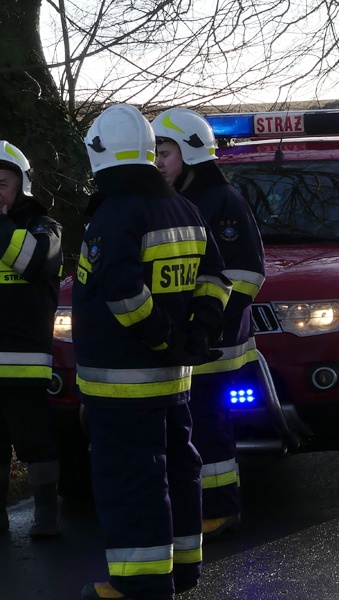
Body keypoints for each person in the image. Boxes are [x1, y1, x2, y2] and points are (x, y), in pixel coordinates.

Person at [76, 104, 231, 600]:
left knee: (132, 478)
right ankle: (182, 567)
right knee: (178, 469)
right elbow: (215, 278)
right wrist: (197, 335)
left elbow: (122, 293)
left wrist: (165, 338)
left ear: (99, 155)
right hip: (173, 379)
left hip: (123, 379)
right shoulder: (183, 208)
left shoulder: (116, 212)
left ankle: (138, 584)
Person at [151, 108, 266, 539]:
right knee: (189, 430)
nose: (158, 161)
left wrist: (211, 319)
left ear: (192, 153)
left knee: (210, 429)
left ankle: (222, 508)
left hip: (217, 344)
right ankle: (195, 506)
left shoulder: (223, 202)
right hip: (185, 340)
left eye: (165, 152)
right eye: (156, 153)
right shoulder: (177, 201)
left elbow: (249, 272)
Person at [0, 141, 63, 538]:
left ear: (21, 186)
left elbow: (29, 261)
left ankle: (46, 516)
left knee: (34, 442)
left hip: (24, 360)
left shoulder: (46, 228)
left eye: (1, 183)